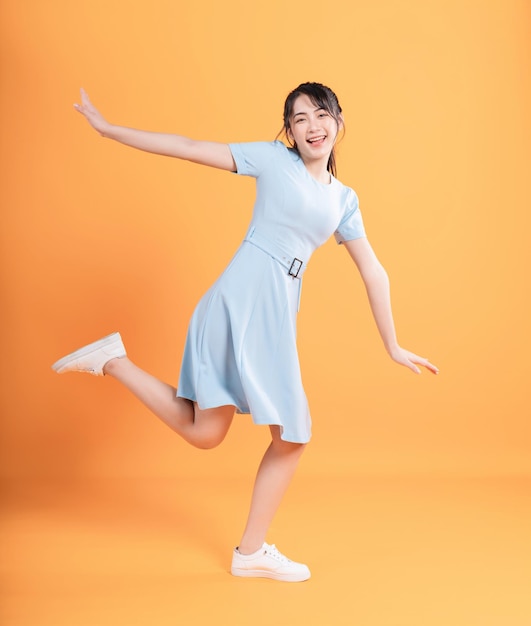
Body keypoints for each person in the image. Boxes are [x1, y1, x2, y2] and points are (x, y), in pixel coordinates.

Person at [52, 82, 439, 583]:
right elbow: (189, 147)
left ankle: (113, 360)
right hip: (243, 300)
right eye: (299, 119)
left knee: (205, 432)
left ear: (339, 122)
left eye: (320, 115)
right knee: (293, 434)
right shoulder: (274, 162)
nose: (312, 126)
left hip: (274, 308)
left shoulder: (344, 200)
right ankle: (251, 551)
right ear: (289, 133)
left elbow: (373, 270)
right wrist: (109, 130)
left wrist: (392, 344)